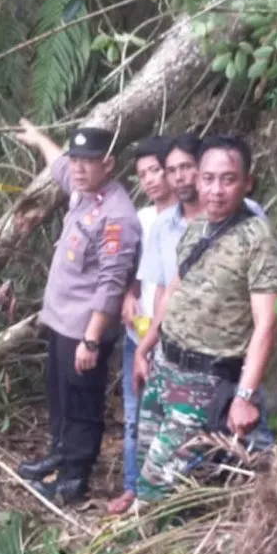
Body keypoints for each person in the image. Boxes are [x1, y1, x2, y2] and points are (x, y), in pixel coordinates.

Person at [132, 134, 277, 502]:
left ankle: (147, 546)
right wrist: (146, 346)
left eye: (228, 179)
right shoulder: (197, 226)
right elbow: (175, 289)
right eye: (208, 178)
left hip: (206, 381)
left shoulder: (260, 240)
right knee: (147, 472)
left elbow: (267, 322)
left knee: (158, 488)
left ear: (247, 182)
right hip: (165, 368)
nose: (216, 189)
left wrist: (245, 395)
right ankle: (163, 547)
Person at [11, 119, 141, 505]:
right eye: (77, 159)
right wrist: (39, 140)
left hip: (86, 328)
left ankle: (74, 478)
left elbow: (111, 285)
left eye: (90, 161)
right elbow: (59, 166)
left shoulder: (117, 217)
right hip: (62, 323)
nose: (79, 168)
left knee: (82, 403)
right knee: (60, 395)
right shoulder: (85, 192)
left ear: (110, 164)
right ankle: (60, 453)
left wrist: (91, 339)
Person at [106, 135, 180, 515]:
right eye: (143, 174)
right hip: (138, 332)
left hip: (173, 338)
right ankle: (133, 486)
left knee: (169, 415)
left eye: (156, 170)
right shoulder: (141, 219)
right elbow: (132, 271)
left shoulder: (187, 217)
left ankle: (167, 492)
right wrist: (128, 295)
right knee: (134, 414)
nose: (150, 180)